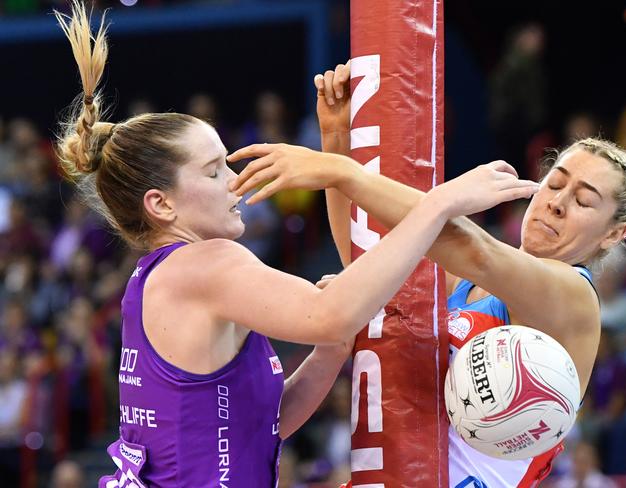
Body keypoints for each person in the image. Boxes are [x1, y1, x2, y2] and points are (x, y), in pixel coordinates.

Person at [53, 4, 538, 487]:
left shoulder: (156, 278)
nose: (236, 181)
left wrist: (329, 354)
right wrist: (439, 204)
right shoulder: (205, 263)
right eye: (214, 170)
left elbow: (263, 426)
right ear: (161, 205)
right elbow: (333, 312)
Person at [228, 61, 626, 487]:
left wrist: (342, 171)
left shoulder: (573, 298)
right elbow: (370, 260)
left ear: (614, 233)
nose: (557, 202)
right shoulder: (464, 281)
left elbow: (476, 249)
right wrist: (337, 141)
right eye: (555, 184)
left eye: (584, 200)